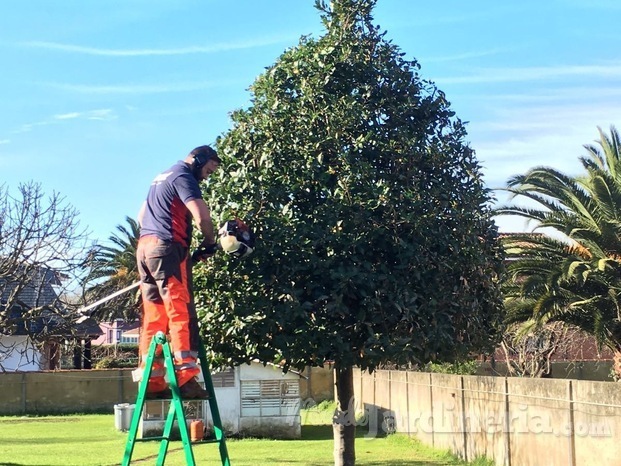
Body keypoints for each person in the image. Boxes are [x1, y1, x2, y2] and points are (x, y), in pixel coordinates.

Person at [136, 145, 221, 399]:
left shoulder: (161, 177)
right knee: (180, 309)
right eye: (208, 170)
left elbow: (142, 217)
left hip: (145, 248)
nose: (207, 176)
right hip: (168, 248)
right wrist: (209, 242)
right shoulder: (184, 176)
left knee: (155, 313)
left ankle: (151, 381)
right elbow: (201, 216)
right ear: (197, 160)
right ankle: (185, 378)